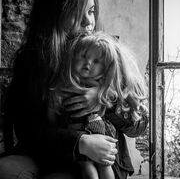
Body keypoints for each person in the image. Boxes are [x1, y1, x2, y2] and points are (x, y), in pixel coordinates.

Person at [0, 0, 148, 179]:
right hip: (47, 152)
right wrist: (79, 142)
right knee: (1, 173)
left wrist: (103, 100)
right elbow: (27, 130)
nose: (88, 21)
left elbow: (139, 125)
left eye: (91, 11)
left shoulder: (107, 55)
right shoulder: (31, 60)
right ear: (54, 14)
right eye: (77, 12)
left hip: (101, 159)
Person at [49, 31, 148, 179]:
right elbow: (50, 117)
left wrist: (103, 100)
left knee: (105, 165)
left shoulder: (109, 79)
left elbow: (138, 123)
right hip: (75, 139)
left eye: (96, 61)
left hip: (103, 138)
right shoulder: (66, 80)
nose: (88, 63)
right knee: (88, 170)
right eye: (83, 56)